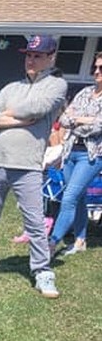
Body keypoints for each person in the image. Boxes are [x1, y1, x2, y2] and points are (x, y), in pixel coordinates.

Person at [0, 34, 67, 299]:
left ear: (50, 57)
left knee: (34, 222)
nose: (31, 60)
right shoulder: (11, 87)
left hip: (28, 165)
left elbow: (39, 107)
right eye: (28, 55)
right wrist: (19, 120)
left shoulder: (57, 85)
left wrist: (7, 114)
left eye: (37, 55)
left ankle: (42, 272)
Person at [49, 52, 102, 258]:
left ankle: (51, 243)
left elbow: (98, 127)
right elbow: (64, 119)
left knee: (69, 197)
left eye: (101, 68)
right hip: (71, 150)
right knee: (78, 197)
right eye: (95, 68)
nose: (96, 72)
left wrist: (79, 121)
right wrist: (84, 120)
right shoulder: (84, 92)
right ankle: (80, 240)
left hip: (92, 155)